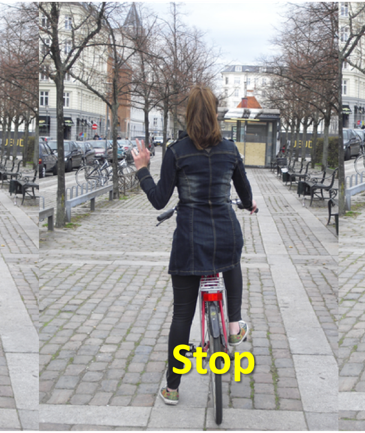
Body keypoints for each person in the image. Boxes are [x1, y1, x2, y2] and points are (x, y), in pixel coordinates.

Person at [132, 85, 257, 406]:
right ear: (216, 114)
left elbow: (160, 199)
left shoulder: (177, 151)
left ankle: (172, 388)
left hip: (189, 240)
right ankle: (233, 323)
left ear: (187, 114)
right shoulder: (230, 149)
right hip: (226, 234)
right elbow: (244, 194)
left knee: (182, 317)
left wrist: (142, 169)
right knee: (232, 260)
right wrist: (249, 205)